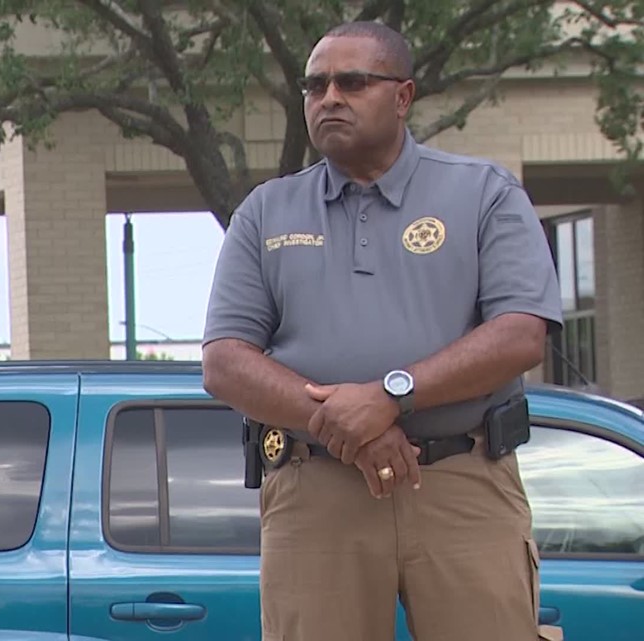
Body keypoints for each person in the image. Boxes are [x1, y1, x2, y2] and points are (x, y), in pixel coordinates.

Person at [201, 21, 564, 641]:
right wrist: (350, 428)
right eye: (315, 86)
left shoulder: (483, 194)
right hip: (316, 495)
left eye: (352, 82)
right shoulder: (266, 211)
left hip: (461, 483)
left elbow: (521, 334)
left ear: (403, 96)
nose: (329, 98)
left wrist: (390, 396)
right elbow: (225, 363)